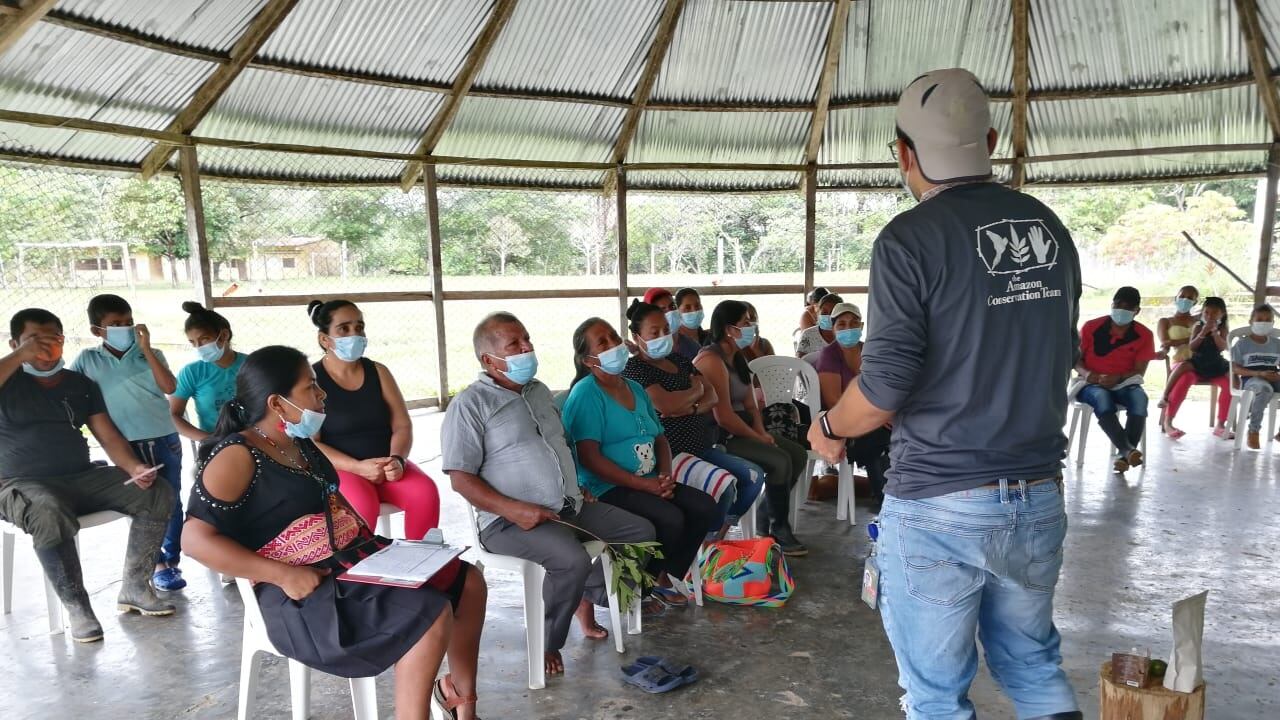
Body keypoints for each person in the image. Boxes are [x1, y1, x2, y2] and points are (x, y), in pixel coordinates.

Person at [808, 69, 1082, 718]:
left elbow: (883, 388)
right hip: (1037, 496)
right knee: (1033, 668)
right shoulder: (1048, 228)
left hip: (941, 502)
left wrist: (831, 426)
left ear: (905, 153)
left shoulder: (910, 239)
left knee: (936, 696)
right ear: (989, 141)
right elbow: (1056, 351)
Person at [183, 346, 488, 720]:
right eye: (310, 386)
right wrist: (283, 575)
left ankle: (461, 704)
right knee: (430, 613)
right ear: (277, 403)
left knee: (467, 581)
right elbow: (194, 540)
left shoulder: (298, 443)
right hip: (302, 593)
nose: (321, 393)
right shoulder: (238, 454)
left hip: (350, 562)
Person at [442, 312, 656, 678]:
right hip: (507, 522)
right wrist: (514, 509)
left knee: (641, 532)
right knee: (571, 560)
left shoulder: (539, 392)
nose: (527, 347)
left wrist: (574, 485)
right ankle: (548, 641)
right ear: (489, 360)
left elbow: (560, 446)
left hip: (567, 506)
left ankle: (589, 591)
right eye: (514, 344)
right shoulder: (470, 405)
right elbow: (460, 479)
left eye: (526, 339)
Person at [0, 308, 174, 643]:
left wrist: (134, 467)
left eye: (52, 338)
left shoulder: (80, 384)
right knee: (47, 509)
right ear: (15, 344)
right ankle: (78, 608)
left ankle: (136, 587)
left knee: (156, 492)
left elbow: (108, 437)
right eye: (33, 340)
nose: (44, 347)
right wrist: (21, 356)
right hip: (22, 484)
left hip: (81, 477)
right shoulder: (8, 381)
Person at [562, 317, 720, 608]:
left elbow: (660, 438)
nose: (614, 345)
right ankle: (632, 590)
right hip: (607, 487)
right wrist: (643, 485)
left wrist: (664, 475)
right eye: (602, 343)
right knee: (669, 518)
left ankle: (659, 575)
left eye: (614, 337)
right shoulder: (586, 394)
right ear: (588, 360)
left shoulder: (634, 388)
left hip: (649, 480)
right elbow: (589, 457)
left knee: (704, 507)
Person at [70, 294, 188, 592]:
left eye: (128, 322)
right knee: (143, 501)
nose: (125, 328)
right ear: (97, 330)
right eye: (115, 324)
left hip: (163, 437)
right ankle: (156, 563)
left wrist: (146, 348)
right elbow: (72, 392)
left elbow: (170, 386)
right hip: (123, 446)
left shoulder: (151, 353)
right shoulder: (87, 360)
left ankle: (171, 558)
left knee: (171, 499)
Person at [622, 300, 766, 537]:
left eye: (666, 330)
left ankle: (717, 536)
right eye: (654, 333)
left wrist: (689, 406)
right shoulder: (635, 369)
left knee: (752, 476)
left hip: (701, 446)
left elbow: (713, 396)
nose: (663, 336)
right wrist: (696, 390)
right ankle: (705, 542)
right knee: (725, 486)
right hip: (672, 454)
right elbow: (667, 405)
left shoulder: (679, 360)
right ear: (637, 338)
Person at [306, 299, 442, 539]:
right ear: (324, 339)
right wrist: (357, 467)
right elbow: (311, 443)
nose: (354, 334)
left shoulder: (378, 372)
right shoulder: (312, 380)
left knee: (425, 493)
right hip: (342, 469)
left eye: (359, 327)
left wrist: (398, 460)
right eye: (344, 329)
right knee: (361, 506)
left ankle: (422, 561)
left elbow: (402, 425)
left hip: (387, 466)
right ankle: (359, 563)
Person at [695, 300, 810, 556]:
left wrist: (761, 432)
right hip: (721, 436)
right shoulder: (711, 360)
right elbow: (724, 416)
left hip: (744, 429)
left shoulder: (737, 356)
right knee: (780, 461)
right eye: (746, 322)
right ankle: (779, 528)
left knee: (797, 454)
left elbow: (751, 404)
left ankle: (765, 516)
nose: (752, 327)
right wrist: (756, 437)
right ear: (729, 329)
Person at [813, 302, 891, 511]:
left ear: (862, 326)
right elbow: (833, 401)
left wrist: (886, 414)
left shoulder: (870, 351)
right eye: (842, 324)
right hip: (842, 422)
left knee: (900, 434)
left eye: (854, 323)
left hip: (873, 417)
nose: (848, 328)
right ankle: (885, 503)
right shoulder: (830, 354)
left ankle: (898, 499)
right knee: (877, 441)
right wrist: (874, 418)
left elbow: (884, 389)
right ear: (833, 328)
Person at [1077, 287, 1157, 472]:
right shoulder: (1091, 327)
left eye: (1128, 307)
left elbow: (1139, 371)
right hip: (1090, 383)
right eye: (1118, 305)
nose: (1121, 310)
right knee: (1102, 398)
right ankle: (1128, 451)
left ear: (1137, 311)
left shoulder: (1144, 335)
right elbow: (1075, 360)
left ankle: (1124, 457)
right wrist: (1088, 374)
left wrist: (1118, 377)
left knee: (1140, 399)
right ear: (1111, 305)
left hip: (1124, 383)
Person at [170, 301, 247, 442]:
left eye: (204, 339)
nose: (198, 347)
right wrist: (209, 440)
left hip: (255, 442)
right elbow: (173, 415)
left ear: (224, 335)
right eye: (193, 342)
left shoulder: (251, 365)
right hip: (214, 444)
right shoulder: (192, 372)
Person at [1162, 296, 1232, 440]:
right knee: (1183, 378)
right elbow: (1193, 347)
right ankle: (1168, 421)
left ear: (1222, 314)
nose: (1210, 316)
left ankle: (1220, 425)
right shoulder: (1198, 326)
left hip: (1215, 365)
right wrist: (1202, 333)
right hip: (1197, 364)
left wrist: (1215, 333)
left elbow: (1222, 347)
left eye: (1214, 313)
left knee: (1229, 385)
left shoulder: (1223, 329)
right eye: (1206, 312)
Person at [1230, 303, 1280, 450]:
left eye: (1268, 320)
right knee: (1264, 389)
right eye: (1259, 319)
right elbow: (1235, 368)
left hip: (1273, 376)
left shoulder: (1277, 344)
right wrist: (1258, 373)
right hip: (1252, 378)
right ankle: (1253, 431)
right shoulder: (1242, 344)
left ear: (1273, 323)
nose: (1264, 323)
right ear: (1251, 321)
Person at [1156, 286, 1200, 412]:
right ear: (1176, 298)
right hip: (1180, 362)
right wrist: (1192, 339)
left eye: (1190, 298)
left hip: (1201, 362)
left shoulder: (1199, 320)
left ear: (1195, 302)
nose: (1185, 300)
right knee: (1186, 376)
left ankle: (1223, 421)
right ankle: (1169, 418)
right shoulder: (1165, 321)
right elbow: (1165, 343)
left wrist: (1176, 342)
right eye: (1182, 296)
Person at [794, 292, 842, 357]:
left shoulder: (846, 335)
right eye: (824, 312)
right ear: (818, 313)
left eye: (833, 312)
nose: (828, 315)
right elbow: (799, 358)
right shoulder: (808, 334)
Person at [672, 287, 709, 361]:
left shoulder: (709, 337)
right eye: (688, 307)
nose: (694, 310)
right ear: (677, 311)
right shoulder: (675, 341)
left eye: (697, 305)